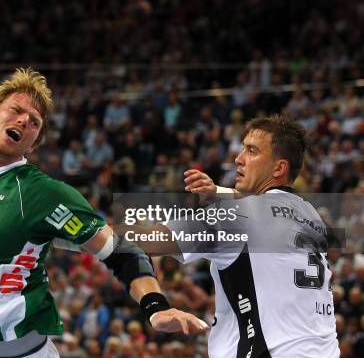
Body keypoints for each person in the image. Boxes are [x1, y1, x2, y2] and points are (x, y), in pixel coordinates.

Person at [0, 11, 208, 357]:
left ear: (34, 143)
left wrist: (156, 306)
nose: (24, 122)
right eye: (15, 111)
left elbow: (122, 252)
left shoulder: (43, 194)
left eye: (34, 123)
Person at [141, 116, 340, 357]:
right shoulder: (309, 214)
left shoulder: (238, 215)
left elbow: (141, 242)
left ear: (279, 168)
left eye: (251, 151)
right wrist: (220, 192)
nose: (238, 158)